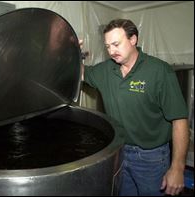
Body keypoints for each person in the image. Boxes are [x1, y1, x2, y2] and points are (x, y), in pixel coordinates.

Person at [81, 19, 190, 196]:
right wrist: (70, 50)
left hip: (152, 157)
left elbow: (179, 120)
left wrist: (177, 168)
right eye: (107, 46)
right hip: (119, 152)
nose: (111, 51)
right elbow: (80, 72)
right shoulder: (105, 70)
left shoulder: (159, 71)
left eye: (116, 44)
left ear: (133, 39)